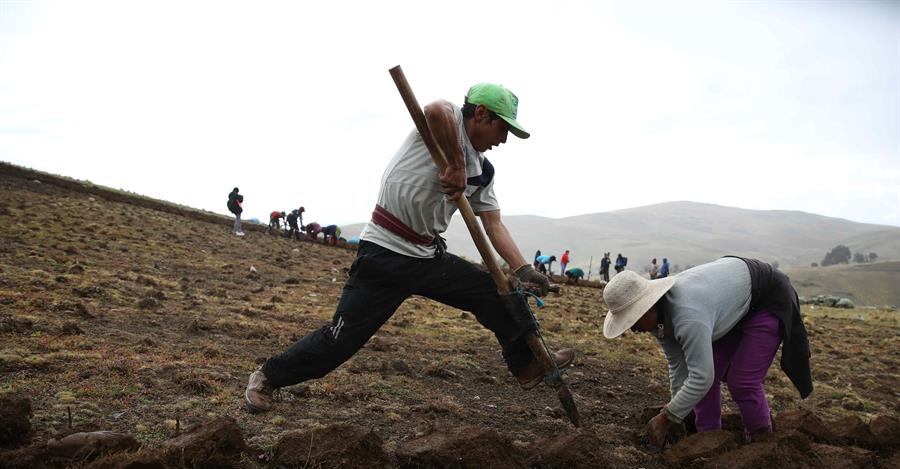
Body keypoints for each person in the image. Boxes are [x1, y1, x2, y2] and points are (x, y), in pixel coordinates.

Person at [245, 82, 572, 412]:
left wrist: (523, 269)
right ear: (481, 114)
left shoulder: (483, 171)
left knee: (495, 292)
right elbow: (435, 109)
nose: (503, 140)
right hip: (384, 253)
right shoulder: (440, 125)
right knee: (340, 339)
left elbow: (493, 224)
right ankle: (268, 376)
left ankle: (527, 365)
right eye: (502, 128)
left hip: (428, 257)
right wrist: (455, 165)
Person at [601, 258, 812, 446]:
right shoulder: (658, 320)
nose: (631, 328)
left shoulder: (689, 317)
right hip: (731, 306)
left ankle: (761, 442)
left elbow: (701, 377)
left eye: (631, 319)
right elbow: (678, 367)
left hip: (767, 297)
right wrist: (678, 414)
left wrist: (666, 417)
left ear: (647, 308)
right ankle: (708, 439)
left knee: (742, 382)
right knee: (705, 376)